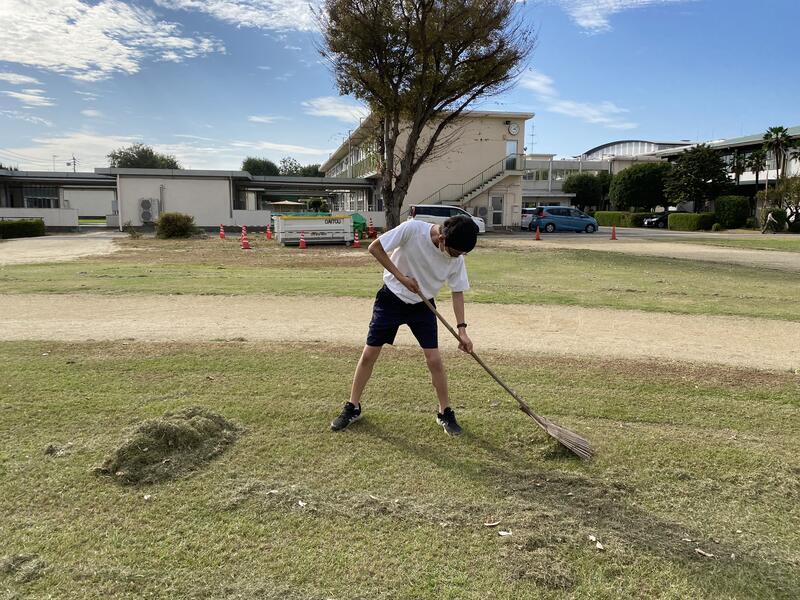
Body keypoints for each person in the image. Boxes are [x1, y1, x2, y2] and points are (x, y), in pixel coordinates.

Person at [330, 214, 479, 436]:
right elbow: (374, 248)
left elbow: (457, 291)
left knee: (434, 360)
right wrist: (402, 278)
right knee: (369, 354)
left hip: (424, 306)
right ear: (442, 239)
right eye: (456, 252)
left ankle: (445, 412)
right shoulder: (413, 229)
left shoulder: (456, 257)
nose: (458, 257)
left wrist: (462, 330)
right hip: (391, 299)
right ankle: (353, 407)